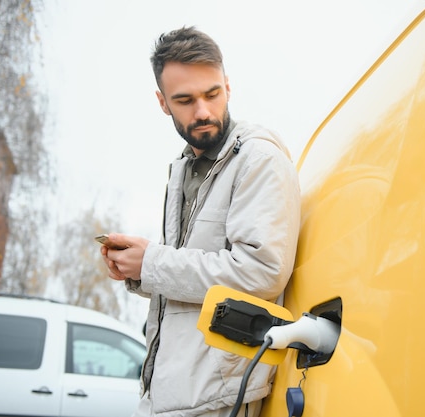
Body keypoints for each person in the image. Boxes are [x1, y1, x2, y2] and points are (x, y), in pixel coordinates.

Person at [100, 26, 301, 417]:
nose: (204, 111)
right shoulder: (183, 169)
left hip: (219, 396)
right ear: (162, 103)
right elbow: (193, 278)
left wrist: (153, 262)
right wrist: (138, 271)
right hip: (171, 392)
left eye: (213, 94)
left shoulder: (259, 160)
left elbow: (261, 272)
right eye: (185, 100)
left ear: (228, 85)